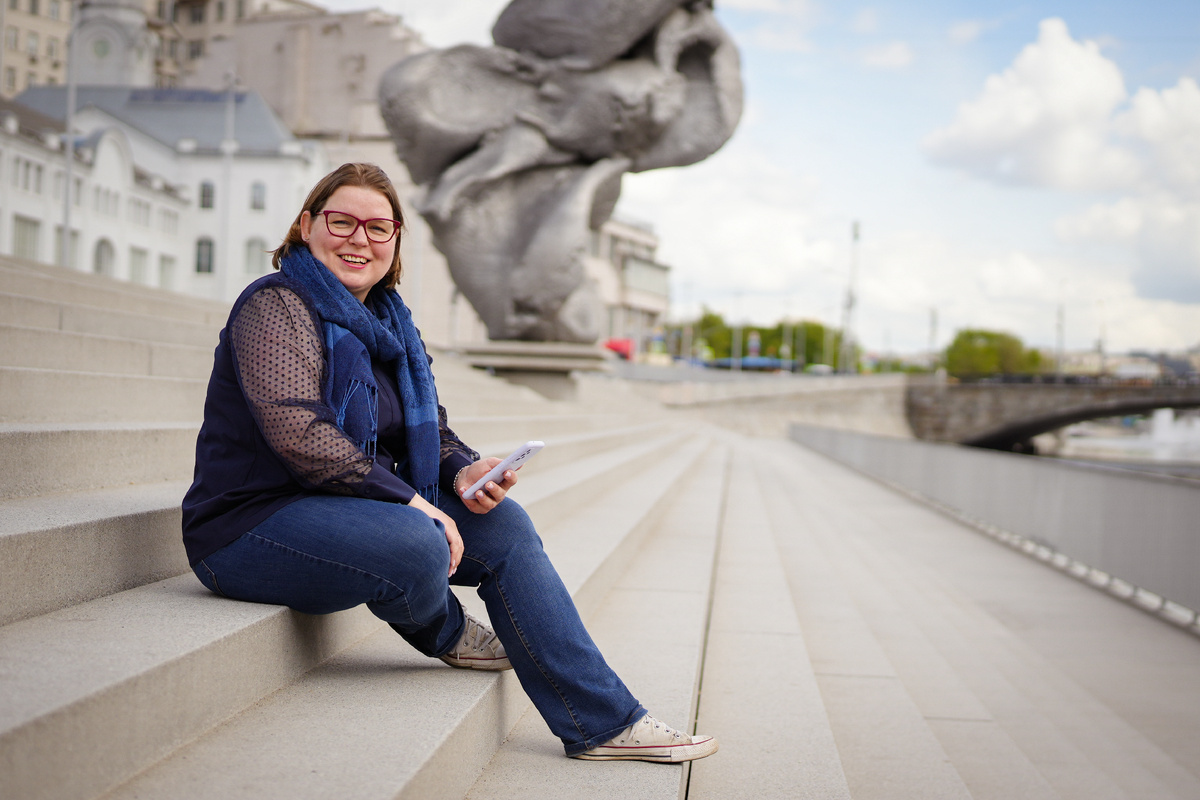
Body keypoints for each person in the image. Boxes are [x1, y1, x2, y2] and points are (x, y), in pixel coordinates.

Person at [181, 162, 717, 763]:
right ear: (306, 226)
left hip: (347, 509)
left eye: (378, 228)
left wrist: (463, 468)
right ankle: (446, 631)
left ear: (396, 241)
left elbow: (430, 429)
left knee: (504, 527)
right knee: (418, 540)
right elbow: (297, 432)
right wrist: (410, 500)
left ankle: (602, 724)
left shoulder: (393, 325)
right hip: (249, 527)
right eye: (342, 221)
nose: (360, 239)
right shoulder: (275, 306)